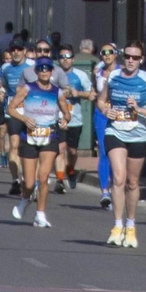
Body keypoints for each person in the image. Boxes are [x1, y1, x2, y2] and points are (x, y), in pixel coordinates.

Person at [98, 42, 146, 248]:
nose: (130, 60)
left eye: (135, 57)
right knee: (118, 177)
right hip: (114, 130)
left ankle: (131, 225)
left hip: (138, 134)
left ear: (141, 59)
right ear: (122, 56)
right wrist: (104, 110)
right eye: (127, 56)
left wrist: (138, 109)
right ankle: (117, 225)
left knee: (132, 183)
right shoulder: (114, 77)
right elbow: (101, 100)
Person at [10, 57, 69, 228]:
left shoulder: (57, 92)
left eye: (47, 68)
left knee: (43, 178)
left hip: (49, 136)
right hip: (28, 136)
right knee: (29, 183)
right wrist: (24, 118)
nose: (44, 71)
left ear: (52, 72)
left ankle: (40, 214)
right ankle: (25, 199)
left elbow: (66, 114)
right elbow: (11, 108)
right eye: (41, 68)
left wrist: (65, 120)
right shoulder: (28, 88)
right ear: (36, 71)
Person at [57, 45, 94, 193]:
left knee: (72, 151)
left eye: (67, 57)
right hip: (58, 118)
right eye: (61, 57)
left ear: (73, 59)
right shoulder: (53, 74)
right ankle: (59, 180)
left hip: (75, 119)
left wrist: (77, 93)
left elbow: (91, 95)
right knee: (60, 150)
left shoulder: (80, 75)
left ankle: (70, 169)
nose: (65, 60)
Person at [0, 42, 32, 195]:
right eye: (13, 50)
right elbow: (3, 85)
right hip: (12, 111)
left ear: (24, 51)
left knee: (29, 146)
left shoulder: (32, 67)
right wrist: (1, 92)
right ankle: (15, 180)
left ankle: (29, 178)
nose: (16, 52)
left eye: (19, 49)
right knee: (14, 144)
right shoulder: (6, 68)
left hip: (30, 111)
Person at [92, 43, 119, 210]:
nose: (107, 55)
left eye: (110, 52)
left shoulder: (122, 71)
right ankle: (105, 192)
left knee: (118, 152)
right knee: (103, 151)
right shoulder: (98, 72)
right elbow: (94, 92)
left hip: (119, 115)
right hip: (102, 114)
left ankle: (117, 188)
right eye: (104, 52)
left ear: (116, 54)